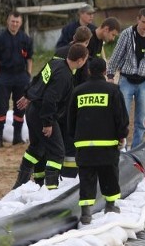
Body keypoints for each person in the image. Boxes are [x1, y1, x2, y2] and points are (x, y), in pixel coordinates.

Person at [12, 44, 89, 190]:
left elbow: (39, 78)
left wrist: (29, 94)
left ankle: (21, 184)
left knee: (36, 148)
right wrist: (47, 123)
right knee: (58, 152)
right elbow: (50, 100)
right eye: (85, 60)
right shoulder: (64, 76)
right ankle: (51, 189)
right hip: (43, 115)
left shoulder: (56, 62)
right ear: (80, 61)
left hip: (34, 110)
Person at [68, 57, 129, 225]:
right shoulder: (113, 90)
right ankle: (110, 206)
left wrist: (75, 137)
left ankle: (86, 213)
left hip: (84, 145)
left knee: (86, 177)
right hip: (107, 144)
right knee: (109, 175)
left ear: (88, 71)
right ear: (104, 72)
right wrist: (121, 135)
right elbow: (121, 117)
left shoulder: (78, 91)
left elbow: (70, 118)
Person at [106, 8, 145, 150]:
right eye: (144, 22)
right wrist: (111, 75)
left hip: (144, 83)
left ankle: (136, 149)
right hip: (126, 80)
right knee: (122, 117)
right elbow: (116, 55)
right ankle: (120, 147)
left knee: (140, 121)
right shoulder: (127, 34)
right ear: (138, 19)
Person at [0, 11, 34, 148]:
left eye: (17, 22)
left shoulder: (26, 39)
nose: (14, 24)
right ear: (8, 21)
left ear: (20, 23)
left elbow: (30, 58)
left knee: (20, 107)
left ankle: (17, 137)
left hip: (21, 76)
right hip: (4, 76)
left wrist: (28, 75)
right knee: (1, 106)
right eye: (12, 21)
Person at [52, 25, 92, 178]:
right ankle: (68, 175)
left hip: (56, 102)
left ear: (74, 37)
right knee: (70, 142)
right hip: (71, 104)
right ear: (87, 42)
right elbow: (83, 83)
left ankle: (52, 174)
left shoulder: (59, 52)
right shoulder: (83, 56)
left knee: (56, 141)